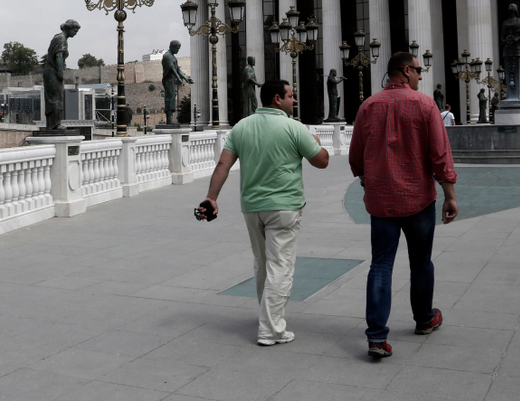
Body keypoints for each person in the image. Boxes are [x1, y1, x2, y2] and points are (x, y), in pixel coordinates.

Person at [197, 80, 329, 346]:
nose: (295, 101)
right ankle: (271, 329)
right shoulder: (294, 128)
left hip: (252, 207)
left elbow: (224, 163)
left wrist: (211, 197)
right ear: (277, 99)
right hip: (284, 207)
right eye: (291, 96)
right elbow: (322, 161)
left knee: (262, 263)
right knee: (281, 266)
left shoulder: (242, 127)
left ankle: (267, 317)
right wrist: (316, 142)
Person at [349, 52, 458, 359]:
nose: (421, 77)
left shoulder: (368, 106)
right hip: (418, 199)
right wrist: (449, 194)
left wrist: (367, 180)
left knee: (380, 265)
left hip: (381, 201)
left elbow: (356, 157)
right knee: (421, 262)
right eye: (419, 71)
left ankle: (376, 338)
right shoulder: (425, 105)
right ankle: (425, 319)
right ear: (406, 70)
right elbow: (439, 155)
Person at [42, 20, 81, 129]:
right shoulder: (61, 38)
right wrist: (60, 72)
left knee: (54, 97)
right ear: (68, 28)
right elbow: (58, 56)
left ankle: (52, 125)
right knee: (56, 98)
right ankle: (55, 125)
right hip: (53, 72)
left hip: (50, 71)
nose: (75, 33)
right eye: (75, 31)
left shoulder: (58, 37)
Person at [162, 40, 193, 125]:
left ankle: (170, 118)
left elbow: (178, 69)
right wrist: (178, 78)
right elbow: (172, 68)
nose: (178, 50)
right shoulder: (167, 56)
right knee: (170, 97)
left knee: (172, 96)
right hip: (168, 80)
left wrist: (186, 78)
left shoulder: (173, 57)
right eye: (177, 48)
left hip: (172, 80)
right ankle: (169, 118)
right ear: (172, 46)